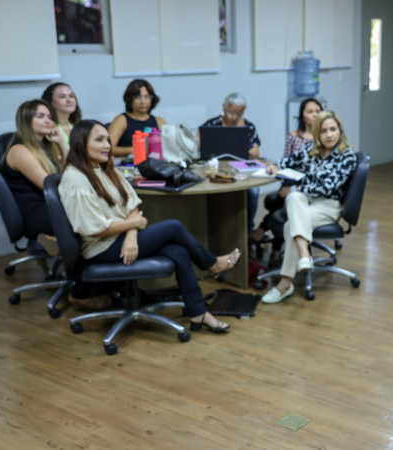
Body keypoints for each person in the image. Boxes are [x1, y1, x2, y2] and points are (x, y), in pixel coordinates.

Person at [59, 120, 241, 332]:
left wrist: (131, 234)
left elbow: (132, 205)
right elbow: (94, 229)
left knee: (179, 250)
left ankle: (198, 313)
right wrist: (133, 224)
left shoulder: (106, 169)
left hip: (119, 237)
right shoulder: (75, 177)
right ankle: (212, 265)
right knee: (173, 227)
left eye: (108, 140)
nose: (107, 145)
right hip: (101, 248)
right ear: (80, 143)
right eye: (99, 140)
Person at [261, 111, 357, 304]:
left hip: (329, 206)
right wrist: (273, 166)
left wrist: (295, 187)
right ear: (317, 134)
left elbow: (328, 186)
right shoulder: (311, 150)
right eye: (323, 131)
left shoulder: (347, 156)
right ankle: (305, 255)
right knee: (295, 197)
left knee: (290, 225)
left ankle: (285, 283)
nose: (329, 135)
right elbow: (288, 161)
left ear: (340, 130)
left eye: (333, 129)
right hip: (306, 202)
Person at [253, 98, 323, 266]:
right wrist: (285, 183)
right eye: (310, 111)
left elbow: (316, 171)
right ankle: (275, 248)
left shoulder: (322, 139)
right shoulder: (293, 136)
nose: (314, 115)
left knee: (281, 204)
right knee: (282, 199)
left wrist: (292, 188)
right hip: (289, 180)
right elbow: (286, 161)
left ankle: (270, 241)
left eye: (318, 111)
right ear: (302, 115)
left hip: (306, 186)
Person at [0, 99, 68, 257]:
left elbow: (66, 174)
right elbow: (50, 187)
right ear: (26, 120)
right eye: (41, 116)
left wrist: (62, 143)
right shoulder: (19, 150)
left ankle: (56, 240)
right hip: (38, 213)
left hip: (52, 207)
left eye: (49, 117)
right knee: (91, 214)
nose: (48, 121)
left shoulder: (43, 147)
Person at [199, 93, 262, 234]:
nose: (234, 117)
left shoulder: (248, 127)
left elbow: (255, 153)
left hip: (241, 170)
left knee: (253, 191)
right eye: (231, 112)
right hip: (215, 171)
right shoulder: (212, 124)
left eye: (238, 114)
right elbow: (198, 143)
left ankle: (248, 227)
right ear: (224, 107)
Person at [108, 79, 166, 157]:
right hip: (127, 165)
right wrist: (134, 149)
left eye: (147, 97)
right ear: (130, 99)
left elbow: (168, 147)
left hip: (154, 163)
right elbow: (108, 148)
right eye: (138, 97)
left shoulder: (159, 121)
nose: (143, 101)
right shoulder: (121, 120)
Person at [41, 82, 82, 149]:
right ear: (51, 102)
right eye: (62, 97)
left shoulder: (77, 125)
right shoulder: (49, 128)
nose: (69, 100)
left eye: (71, 96)